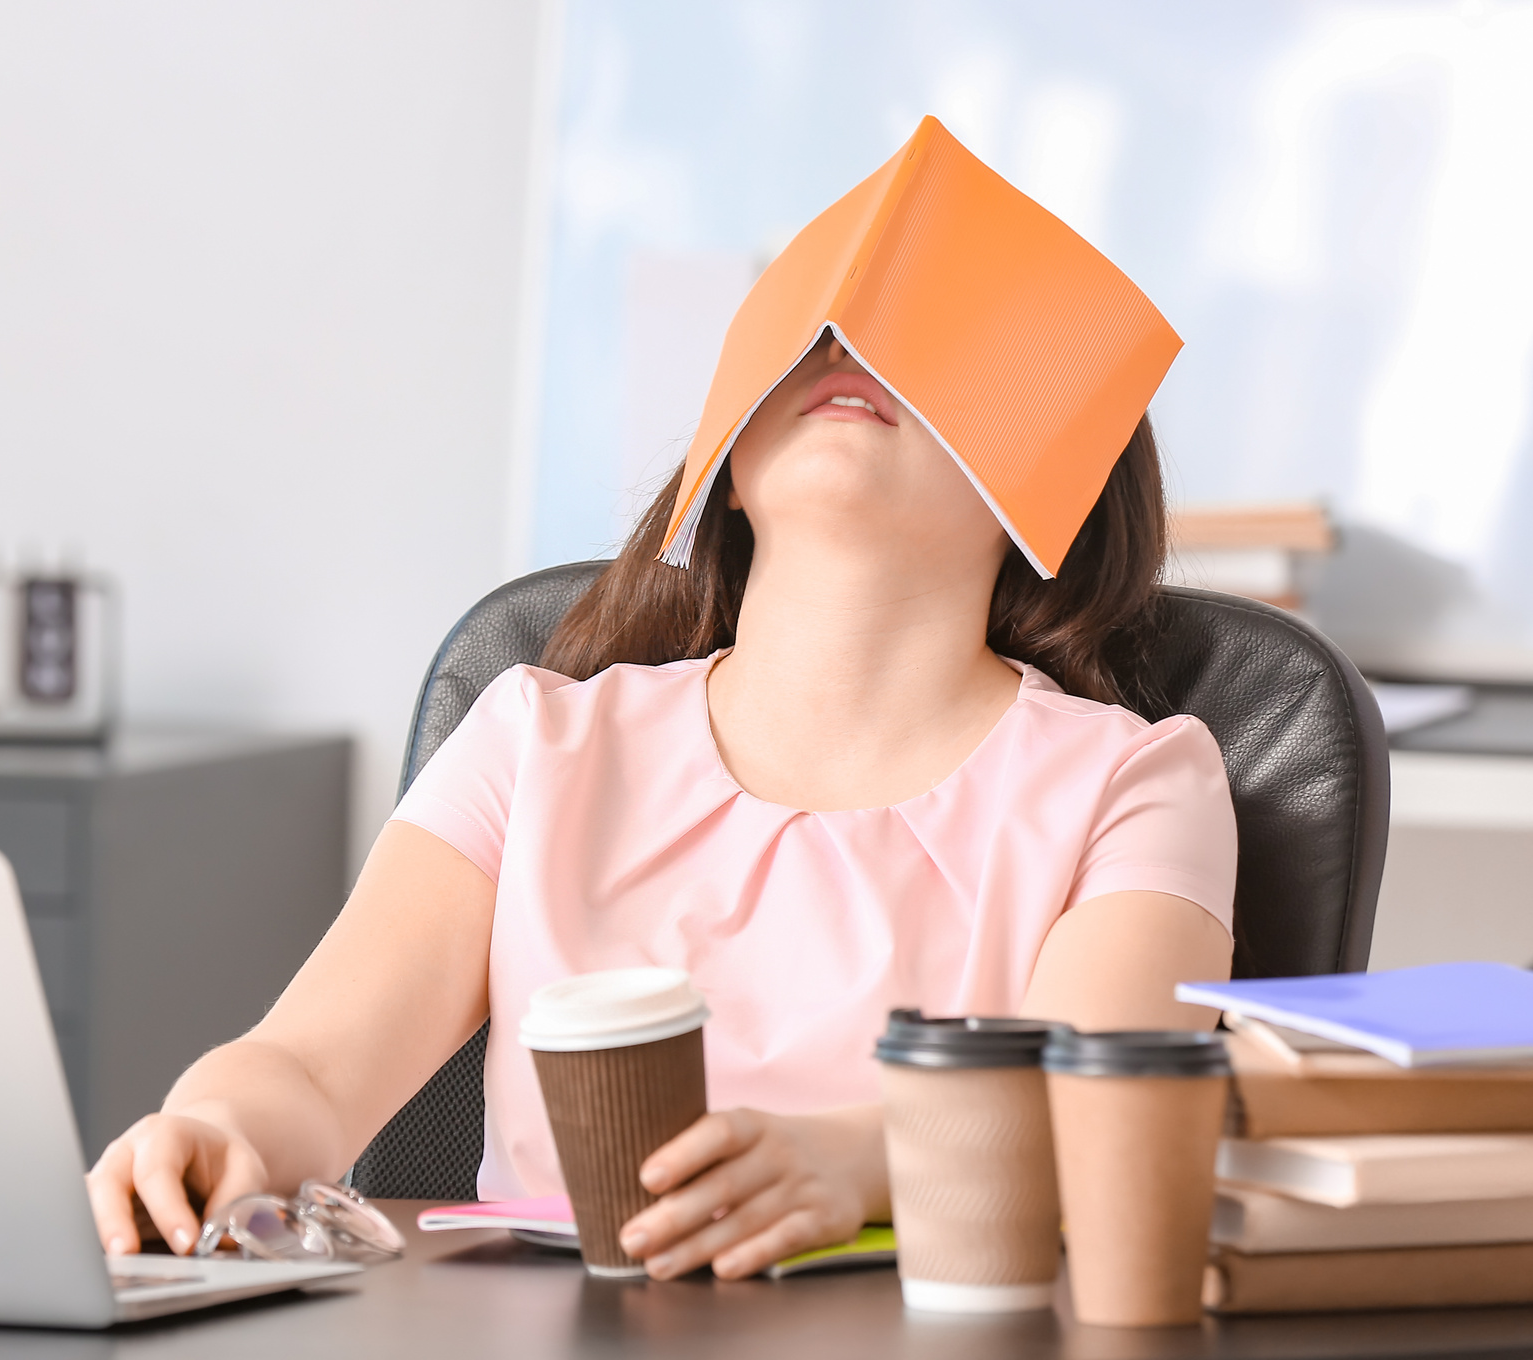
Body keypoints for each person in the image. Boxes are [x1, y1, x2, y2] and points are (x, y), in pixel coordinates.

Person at [87, 327, 1235, 1281]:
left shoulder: (1134, 783)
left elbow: (1099, 1106)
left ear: (1052, 473)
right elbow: (310, 1068)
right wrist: (215, 1130)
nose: (856, 349)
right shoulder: (536, 741)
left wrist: (864, 1160)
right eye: (817, 326)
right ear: (731, 459)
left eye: (934, 335)